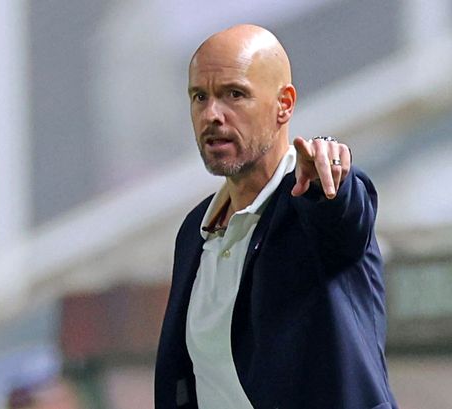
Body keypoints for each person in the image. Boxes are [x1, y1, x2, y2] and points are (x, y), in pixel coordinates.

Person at [155, 24, 398, 409]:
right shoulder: (195, 229)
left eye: (234, 94)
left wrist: (328, 177)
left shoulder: (311, 203)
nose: (212, 114)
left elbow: (341, 214)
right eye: (200, 96)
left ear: (284, 104)